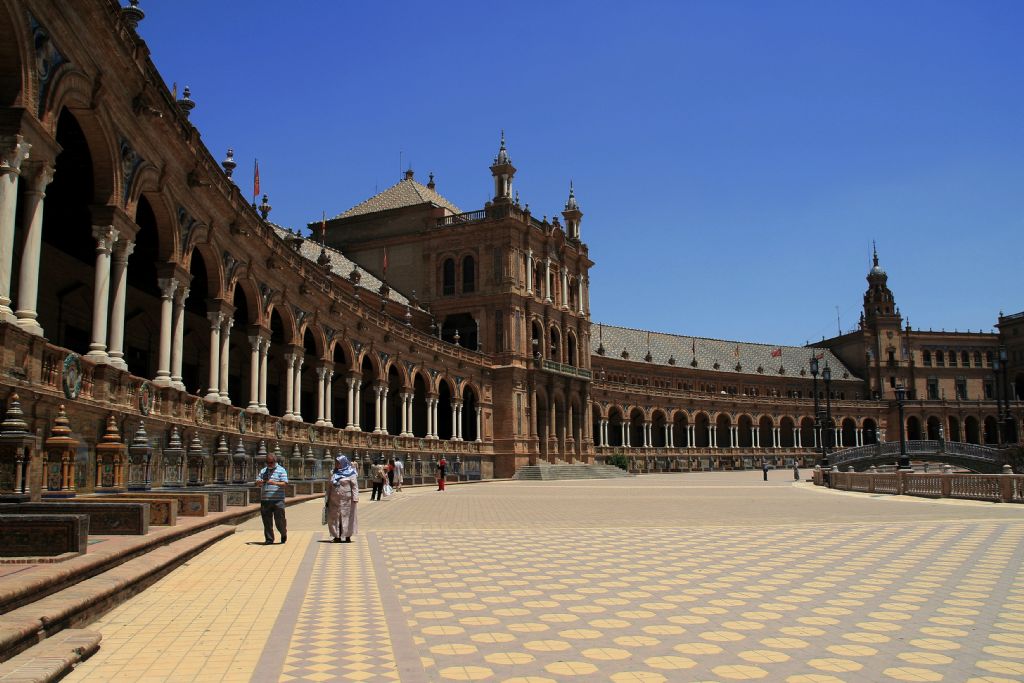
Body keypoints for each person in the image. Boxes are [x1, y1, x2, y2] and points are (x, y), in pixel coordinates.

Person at [256, 451, 288, 545]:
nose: (269, 464)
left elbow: (285, 483)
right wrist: (259, 482)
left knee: (279, 520)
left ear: (275, 461)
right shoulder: (263, 471)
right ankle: (269, 539)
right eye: (268, 462)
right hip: (265, 499)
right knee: (267, 521)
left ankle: (283, 533)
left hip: (278, 500)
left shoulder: (281, 470)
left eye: (271, 462)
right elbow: (257, 482)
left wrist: (274, 483)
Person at [327, 454, 358, 543]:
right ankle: (336, 536)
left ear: (344, 463)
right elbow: (329, 486)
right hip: (334, 500)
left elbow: (354, 486)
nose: (336, 464)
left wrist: (355, 498)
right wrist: (327, 498)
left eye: (338, 463)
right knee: (334, 517)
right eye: (336, 462)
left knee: (347, 517)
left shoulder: (351, 473)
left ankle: (347, 536)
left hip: (347, 500)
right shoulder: (333, 472)